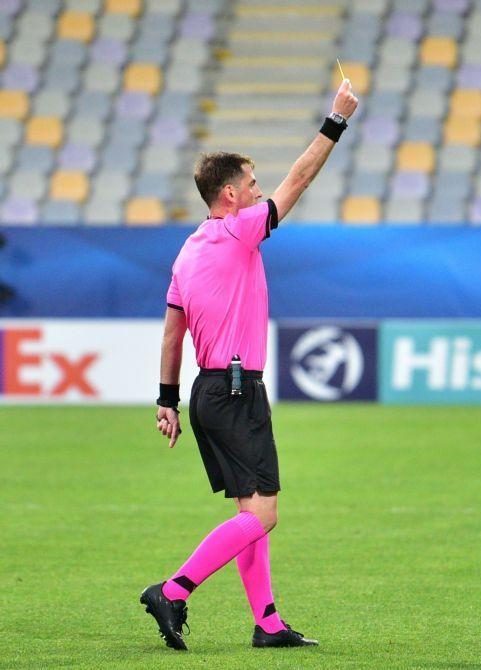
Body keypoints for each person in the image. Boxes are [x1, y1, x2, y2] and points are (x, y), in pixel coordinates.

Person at [140, 79, 359, 651]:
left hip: (206, 391)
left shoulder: (187, 252)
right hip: (238, 391)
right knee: (263, 515)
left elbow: (172, 331)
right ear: (231, 196)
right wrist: (336, 119)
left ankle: (267, 624)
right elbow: (301, 179)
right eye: (252, 184)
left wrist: (167, 400)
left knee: (249, 512)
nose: (260, 191)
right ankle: (173, 590)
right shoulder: (240, 233)